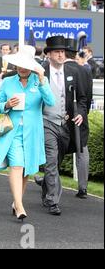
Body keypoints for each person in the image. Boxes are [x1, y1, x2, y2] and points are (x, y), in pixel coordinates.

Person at [0, 45, 55, 221]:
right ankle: (19, 206)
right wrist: (6, 105)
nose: (22, 68)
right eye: (19, 64)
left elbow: (50, 101)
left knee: (27, 170)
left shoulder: (40, 80)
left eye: (26, 65)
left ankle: (16, 201)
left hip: (32, 133)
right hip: (12, 132)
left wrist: (42, 80)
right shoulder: (7, 82)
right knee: (17, 165)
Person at [40, 35, 87, 215]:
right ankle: (53, 200)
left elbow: (82, 98)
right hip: (46, 122)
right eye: (57, 52)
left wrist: (81, 114)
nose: (61, 55)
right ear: (49, 54)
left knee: (56, 163)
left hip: (65, 124)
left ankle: (46, 190)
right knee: (51, 159)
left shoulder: (73, 73)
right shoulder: (41, 71)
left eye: (62, 51)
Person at [64, 38, 93, 199]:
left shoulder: (60, 69)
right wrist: (84, 113)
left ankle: (48, 181)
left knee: (55, 150)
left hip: (62, 114)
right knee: (82, 149)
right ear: (75, 53)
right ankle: (83, 187)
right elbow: (88, 96)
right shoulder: (85, 70)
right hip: (80, 113)